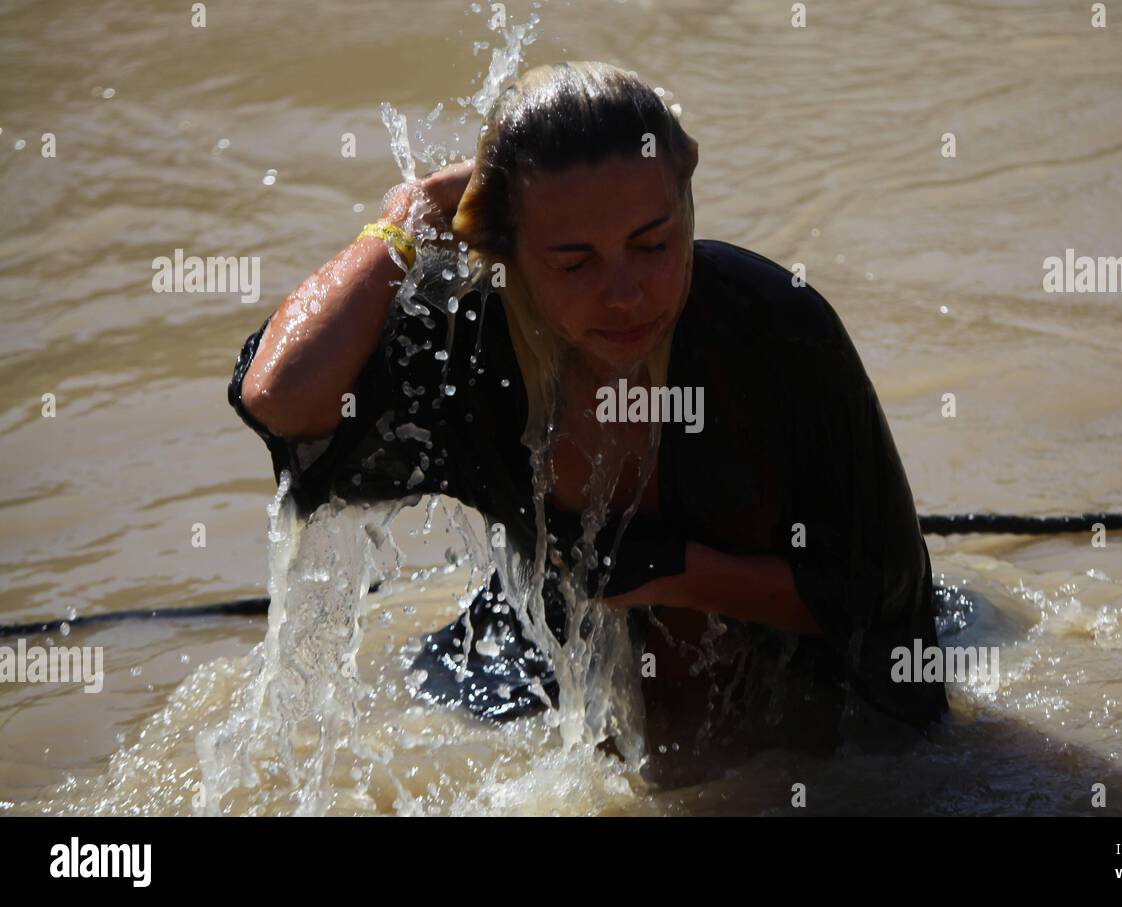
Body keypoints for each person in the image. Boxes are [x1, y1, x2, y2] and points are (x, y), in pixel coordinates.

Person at [228, 61, 948, 758]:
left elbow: (883, 597)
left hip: (787, 680)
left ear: (687, 204)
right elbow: (282, 396)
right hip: (549, 660)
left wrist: (673, 571)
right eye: (574, 262)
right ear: (505, 250)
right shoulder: (469, 343)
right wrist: (402, 220)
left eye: (654, 243)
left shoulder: (778, 332)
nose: (626, 293)